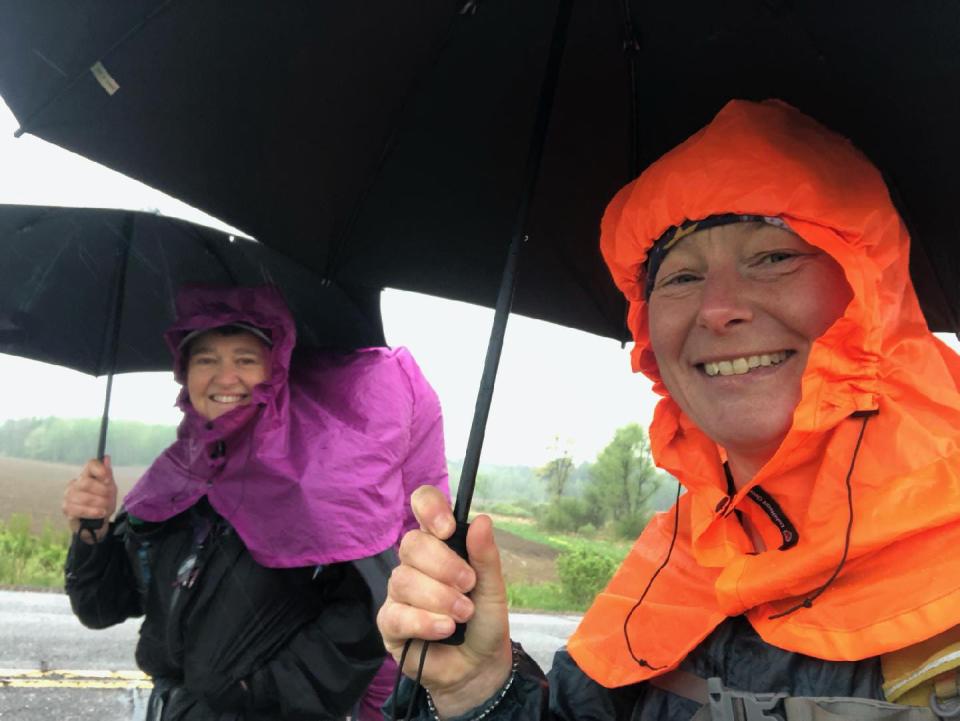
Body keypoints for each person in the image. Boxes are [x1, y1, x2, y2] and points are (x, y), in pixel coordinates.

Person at [378, 99, 960, 720]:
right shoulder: (670, 564)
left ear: (871, 289)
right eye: (680, 277)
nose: (718, 308)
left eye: (773, 257)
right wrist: (479, 691)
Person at [62, 285, 449, 720]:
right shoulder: (174, 481)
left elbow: (366, 619)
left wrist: (251, 694)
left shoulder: (318, 486)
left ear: (275, 370)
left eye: (245, 359)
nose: (225, 377)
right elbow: (101, 607)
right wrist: (90, 531)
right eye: (206, 358)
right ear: (184, 371)